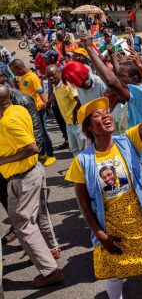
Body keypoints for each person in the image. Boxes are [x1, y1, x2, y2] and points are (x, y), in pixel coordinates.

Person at [65, 94, 142, 299]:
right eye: (98, 115)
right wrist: (100, 234)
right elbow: (83, 203)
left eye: (107, 112)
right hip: (111, 228)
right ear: (88, 127)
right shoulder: (82, 161)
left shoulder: (129, 140)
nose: (106, 116)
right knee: (114, 273)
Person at [0, 85, 63, 288]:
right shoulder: (17, 109)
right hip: (34, 172)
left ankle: (49, 271)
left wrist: (3, 160)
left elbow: (31, 148)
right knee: (41, 215)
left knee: (23, 225)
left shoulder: (9, 121)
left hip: (23, 178)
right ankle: (52, 248)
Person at [9, 59, 55, 166]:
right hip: (29, 110)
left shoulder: (32, 77)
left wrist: (47, 104)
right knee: (35, 132)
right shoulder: (23, 77)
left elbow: (40, 92)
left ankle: (51, 155)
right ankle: (43, 152)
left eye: (13, 71)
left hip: (38, 109)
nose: (13, 73)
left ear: (18, 69)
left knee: (43, 132)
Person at [45, 64, 85, 156]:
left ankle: (87, 168)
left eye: (53, 75)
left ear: (59, 72)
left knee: (82, 148)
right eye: (48, 76)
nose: (51, 78)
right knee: (74, 148)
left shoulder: (67, 84)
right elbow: (55, 94)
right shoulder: (56, 84)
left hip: (77, 121)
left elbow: (80, 100)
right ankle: (79, 167)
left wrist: (75, 112)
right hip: (68, 122)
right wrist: (49, 102)